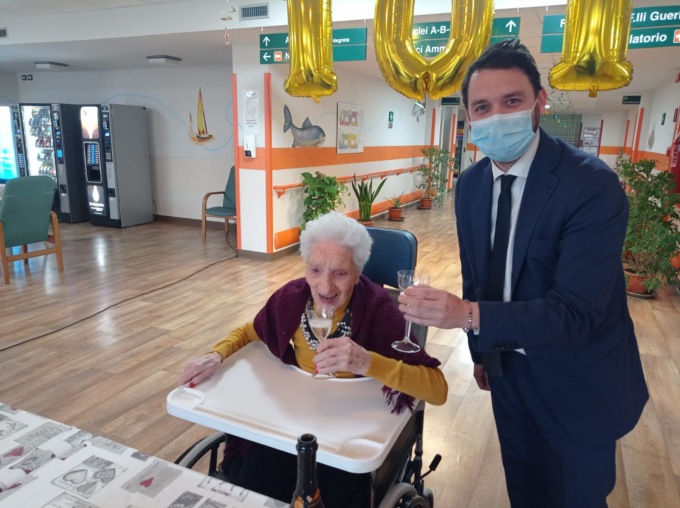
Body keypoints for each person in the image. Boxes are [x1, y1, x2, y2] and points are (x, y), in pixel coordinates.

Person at [399, 39, 648, 508]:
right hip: (508, 374)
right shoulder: (471, 185)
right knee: (526, 489)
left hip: (578, 380)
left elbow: (576, 312)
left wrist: (467, 315)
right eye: (482, 107)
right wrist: (481, 352)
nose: (497, 116)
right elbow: (477, 277)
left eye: (511, 101)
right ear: (469, 117)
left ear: (539, 101)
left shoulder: (591, 186)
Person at [180, 211, 447, 507]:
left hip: (345, 433)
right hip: (290, 421)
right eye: (316, 270)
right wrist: (215, 355)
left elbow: (438, 389)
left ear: (358, 273)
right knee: (252, 478)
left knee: (334, 495)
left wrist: (367, 363)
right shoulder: (291, 299)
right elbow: (250, 330)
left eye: (340, 273)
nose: (325, 287)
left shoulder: (379, 311)